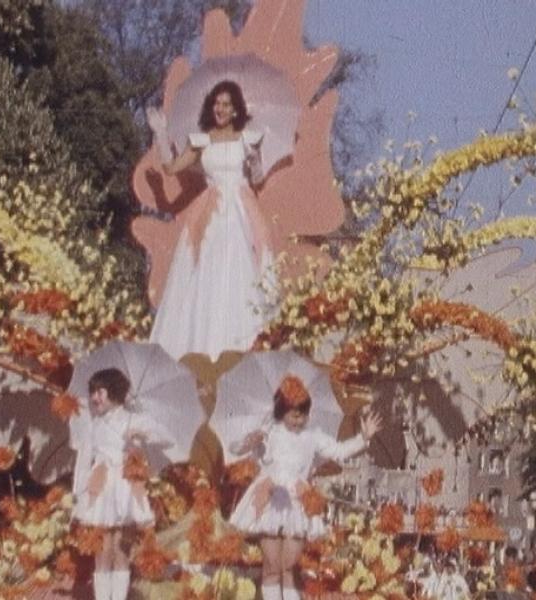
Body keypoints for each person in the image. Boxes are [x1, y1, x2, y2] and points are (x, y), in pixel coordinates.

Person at [147, 80, 276, 360]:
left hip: (241, 213)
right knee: (204, 273)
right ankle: (202, 345)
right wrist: (161, 133)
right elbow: (171, 168)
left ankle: (241, 343)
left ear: (235, 109)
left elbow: (258, 179)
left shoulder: (248, 139)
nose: (220, 109)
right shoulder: (201, 140)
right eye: (217, 103)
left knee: (241, 272)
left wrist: (254, 160)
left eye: (226, 104)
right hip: (210, 212)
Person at [226, 375, 381, 600]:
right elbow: (237, 449)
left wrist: (363, 438)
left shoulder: (312, 436)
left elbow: (338, 451)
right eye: (294, 415)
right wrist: (249, 442)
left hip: (297, 503)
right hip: (269, 500)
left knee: (289, 568)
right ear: (282, 411)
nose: (299, 420)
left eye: (303, 415)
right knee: (271, 567)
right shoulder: (268, 433)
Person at [70, 368, 175, 600]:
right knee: (103, 550)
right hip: (101, 486)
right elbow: (83, 461)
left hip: (125, 486)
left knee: (121, 549)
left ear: (114, 392)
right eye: (92, 393)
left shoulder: (132, 419)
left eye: (100, 392)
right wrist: (79, 494)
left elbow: (167, 436)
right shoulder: (94, 425)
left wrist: (143, 433)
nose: (95, 398)